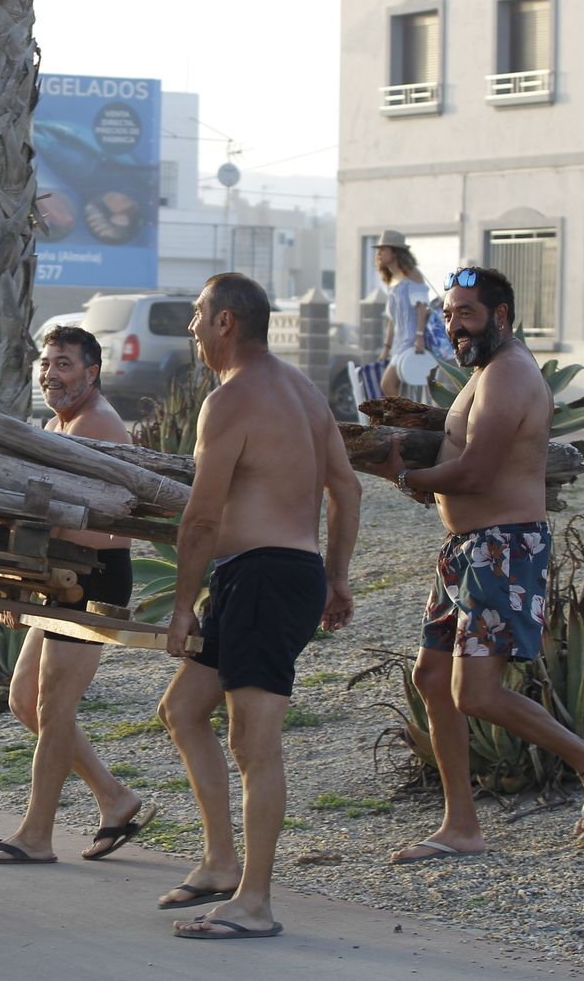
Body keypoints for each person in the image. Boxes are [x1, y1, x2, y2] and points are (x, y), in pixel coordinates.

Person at [361, 266, 584, 861]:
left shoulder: (509, 374)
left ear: (502, 316)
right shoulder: (483, 373)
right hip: (466, 551)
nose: (454, 325)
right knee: (432, 680)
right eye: (449, 314)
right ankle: (462, 827)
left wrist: (403, 475)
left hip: (503, 549)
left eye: (467, 314)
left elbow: (477, 473)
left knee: (476, 693)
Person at [157, 272, 360, 939]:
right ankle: (220, 861)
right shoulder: (304, 393)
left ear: (226, 323)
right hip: (282, 572)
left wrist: (182, 606)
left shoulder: (231, 399)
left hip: (262, 579)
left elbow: (201, 516)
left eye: (197, 314)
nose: (191, 326)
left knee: (254, 741)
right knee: (183, 709)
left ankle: (255, 901)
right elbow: (348, 490)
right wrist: (334, 577)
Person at [0, 324, 155, 865]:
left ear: (91, 372)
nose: (51, 375)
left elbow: (89, 523)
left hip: (92, 577)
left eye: (64, 364)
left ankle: (36, 836)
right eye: (46, 364)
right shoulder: (59, 422)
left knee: (52, 706)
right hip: (59, 577)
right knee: (27, 702)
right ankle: (116, 800)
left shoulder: (96, 425)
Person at [374, 229, 437, 399]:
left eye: (383, 249)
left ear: (395, 251)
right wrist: (386, 348)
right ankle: (406, 420)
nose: (378, 254)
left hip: (412, 342)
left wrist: (419, 336)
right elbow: (392, 320)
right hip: (399, 344)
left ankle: (407, 419)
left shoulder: (412, 275)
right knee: (394, 387)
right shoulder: (392, 280)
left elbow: (421, 307)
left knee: (388, 384)